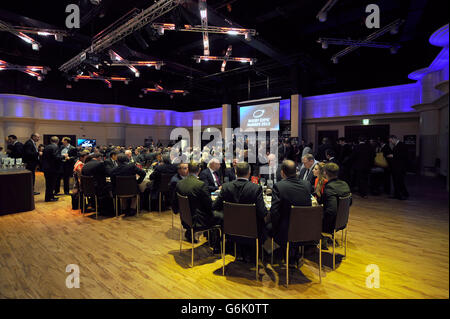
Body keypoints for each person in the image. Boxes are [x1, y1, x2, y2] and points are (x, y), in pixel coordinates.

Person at [213, 162, 269, 242]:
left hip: (230, 228)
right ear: (249, 173)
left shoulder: (226, 187)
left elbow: (215, 206)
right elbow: (262, 212)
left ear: (235, 172)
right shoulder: (256, 188)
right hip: (251, 230)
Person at [175, 161, 222, 248]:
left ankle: (191, 233)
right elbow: (209, 206)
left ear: (188, 169)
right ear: (199, 170)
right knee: (222, 216)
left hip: (186, 219)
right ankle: (218, 246)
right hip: (198, 220)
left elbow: (176, 203)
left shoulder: (179, 183)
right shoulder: (200, 185)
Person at [269, 160, 312, 246]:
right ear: (296, 171)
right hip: (305, 227)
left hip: (285, 229)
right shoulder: (307, 184)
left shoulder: (279, 186)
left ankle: (274, 252)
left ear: (282, 173)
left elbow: (274, 212)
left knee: (264, 227)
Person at [321, 163, 351, 249]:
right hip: (342, 221)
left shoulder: (330, 187)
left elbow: (331, 211)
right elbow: (350, 202)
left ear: (325, 173)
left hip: (331, 224)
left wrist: (320, 220)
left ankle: (312, 244)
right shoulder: (344, 184)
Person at [41, 136, 67, 202]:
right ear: (57, 141)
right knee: (51, 184)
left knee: (49, 184)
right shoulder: (55, 147)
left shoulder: (47, 147)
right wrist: (64, 156)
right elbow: (56, 157)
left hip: (46, 168)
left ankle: (50, 197)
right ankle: (49, 198)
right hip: (52, 169)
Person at [388, 135, 409, 200]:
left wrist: (393, 155)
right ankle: (397, 194)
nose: (391, 142)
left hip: (400, 168)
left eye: (391, 141)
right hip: (396, 167)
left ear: (394, 139)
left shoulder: (402, 145)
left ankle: (403, 195)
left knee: (400, 181)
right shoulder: (396, 146)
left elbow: (404, 156)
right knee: (396, 182)